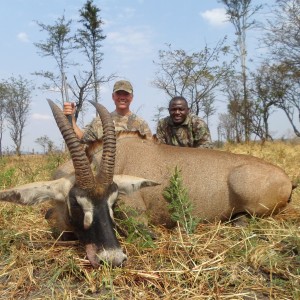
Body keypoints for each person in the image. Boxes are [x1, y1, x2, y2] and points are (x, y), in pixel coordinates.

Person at [63, 80, 152, 142]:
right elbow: (81, 137)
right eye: (118, 94)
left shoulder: (141, 124)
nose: (122, 97)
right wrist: (71, 118)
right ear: (113, 96)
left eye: (126, 94)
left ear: (131, 97)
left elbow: (150, 149)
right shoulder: (99, 122)